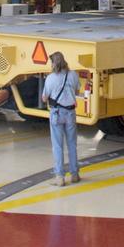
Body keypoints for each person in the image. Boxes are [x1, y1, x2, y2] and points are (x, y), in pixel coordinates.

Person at [41, 50, 80, 187]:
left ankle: (60, 177)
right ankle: (74, 174)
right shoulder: (73, 74)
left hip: (56, 113)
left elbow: (44, 98)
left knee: (57, 146)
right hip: (70, 113)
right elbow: (77, 91)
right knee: (72, 144)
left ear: (54, 63)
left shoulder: (50, 78)